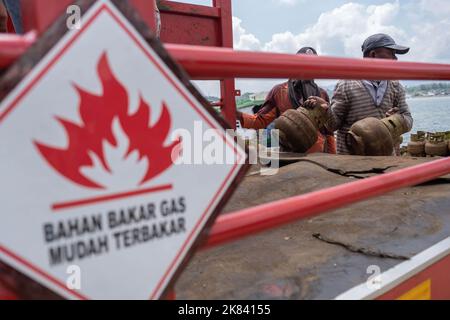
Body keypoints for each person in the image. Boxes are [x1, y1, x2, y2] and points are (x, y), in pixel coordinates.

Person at [306, 34, 413, 155]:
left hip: (386, 160)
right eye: (391, 53)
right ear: (373, 55)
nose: (395, 59)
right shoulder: (346, 85)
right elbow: (333, 125)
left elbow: (408, 119)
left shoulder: (395, 86)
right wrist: (323, 109)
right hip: (352, 164)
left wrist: (398, 120)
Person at [237, 47, 336, 154]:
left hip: (319, 156)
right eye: (304, 63)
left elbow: (329, 131)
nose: (308, 69)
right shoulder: (279, 92)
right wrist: (235, 114)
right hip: (289, 155)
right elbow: (259, 121)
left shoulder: (322, 94)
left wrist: (333, 158)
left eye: (312, 65)